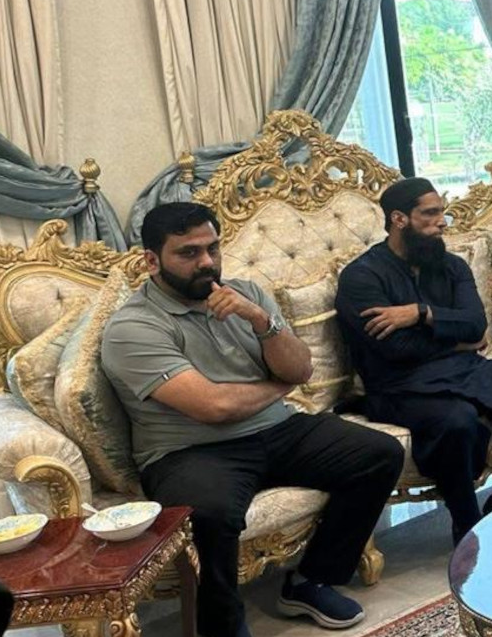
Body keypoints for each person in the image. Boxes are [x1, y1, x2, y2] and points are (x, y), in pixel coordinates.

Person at [103, 203, 404, 637]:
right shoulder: (133, 327)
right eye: (188, 253)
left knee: (379, 454)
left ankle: (309, 581)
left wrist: (261, 321)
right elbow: (214, 407)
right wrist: (279, 386)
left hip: (277, 429)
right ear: (152, 261)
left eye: (212, 248)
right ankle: (223, 628)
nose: (206, 262)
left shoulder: (247, 294)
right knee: (210, 513)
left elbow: (300, 367)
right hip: (190, 451)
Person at [335, 178, 492, 547]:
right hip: (401, 386)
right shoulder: (361, 277)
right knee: (457, 421)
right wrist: (458, 341)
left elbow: (476, 325)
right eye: (430, 214)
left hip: (464, 370)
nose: (442, 222)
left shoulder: (450, 265)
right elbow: (395, 350)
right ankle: (467, 525)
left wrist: (422, 313)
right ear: (399, 219)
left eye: (442, 213)